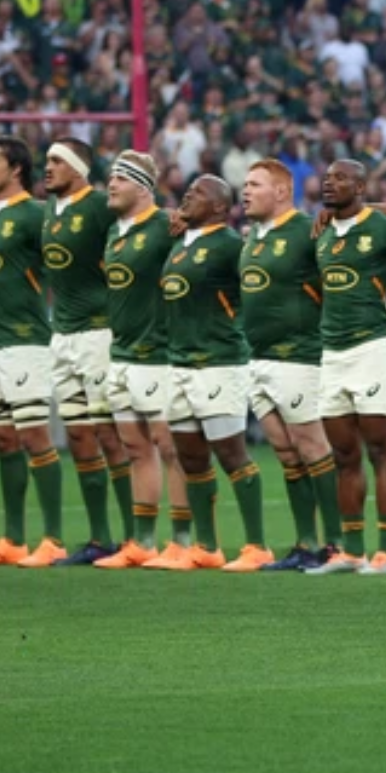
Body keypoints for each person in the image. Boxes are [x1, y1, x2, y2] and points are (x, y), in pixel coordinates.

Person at [310, 159, 386, 575]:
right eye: (326, 176)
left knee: (381, 450)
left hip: (372, 350)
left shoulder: (383, 228)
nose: (328, 181)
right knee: (343, 455)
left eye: (339, 177)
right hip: (332, 352)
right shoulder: (318, 232)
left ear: (359, 186)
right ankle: (352, 550)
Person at [153, 175, 266, 571]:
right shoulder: (181, 243)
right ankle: (207, 547)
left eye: (199, 192)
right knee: (191, 459)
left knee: (232, 454)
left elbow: (261, 285)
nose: (188, 194)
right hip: (179, 364)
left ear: (220, 207)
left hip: (218, 363)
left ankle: (257, 547)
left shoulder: (231, 246)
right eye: (188, 189)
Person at [0, 137, 68, 567]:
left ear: (17, 169)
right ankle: (12, 539)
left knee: (33, 436)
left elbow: (62, 262)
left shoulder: (35, 214)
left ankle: (54, 538)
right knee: (4, 439)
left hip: (26, 340)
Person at [239, 158, 341, 572]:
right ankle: (305, 543)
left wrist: (383, 308)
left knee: (312, 447)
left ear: (282, 191)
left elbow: (343, 269)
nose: (244, 191)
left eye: (255, 184)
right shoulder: (252, 238)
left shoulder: (308, 231)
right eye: (244, 184)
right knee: (285, 452)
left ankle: (337, 543)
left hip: (300, 356)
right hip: (258, 360)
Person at [37, 139, 132, 566]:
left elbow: (144, 218)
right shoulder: (47, 214)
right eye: (46, 161)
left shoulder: (97, 206)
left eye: (56, 161)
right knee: (77, 436)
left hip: (99, 332)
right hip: (62, 335)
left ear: (78, 168)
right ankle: (99, 538)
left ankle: (136, 537)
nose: (48, 167)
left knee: (110, 435)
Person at [93, 150, 187, 568]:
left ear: (143, 187)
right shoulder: (115, 232)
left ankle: (185, 541)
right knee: (134, 448)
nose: (111, 185)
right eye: (110, 178)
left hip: (161, 355)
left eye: (121, 179)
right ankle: (143, 541)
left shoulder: (169, 227)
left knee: (171, 448)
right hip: (123, 354)